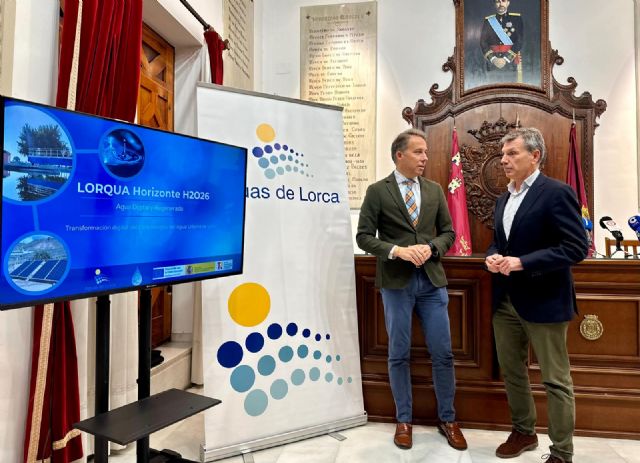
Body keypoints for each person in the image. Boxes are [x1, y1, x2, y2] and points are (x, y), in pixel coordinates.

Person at [356, 128, 467, 452]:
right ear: (399, 155)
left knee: (443, 352)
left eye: (426, 152)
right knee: (398, 353)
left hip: (431, 282)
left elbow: (448, 232)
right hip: (396, 283)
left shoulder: (434, 190)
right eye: (419, 152)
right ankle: (403, 420)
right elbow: (364, 237)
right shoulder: (378, 191)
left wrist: (431, 248)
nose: (425, 158)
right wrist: (397, 251)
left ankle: (448, 419)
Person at [485, 128, 589, 463]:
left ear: (535, 155)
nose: (504, 160)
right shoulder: (503, 199)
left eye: (512, 153)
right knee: (512, 372)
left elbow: (576, 247)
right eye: (503, 154)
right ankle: (524, 432)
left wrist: (523, 262)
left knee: (555, 380)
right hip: (505, 301)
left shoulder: (556, 192)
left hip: (545, 299)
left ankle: (561, 452)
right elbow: (500, 242)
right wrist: (492, 256)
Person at [480, 0, 523, 82]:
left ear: (508, 3)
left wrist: (506, 58)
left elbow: (519, 40)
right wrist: (493, 59)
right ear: (495, 4)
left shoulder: (516, 19)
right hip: (493, 62)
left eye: (503, 1)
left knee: (511, 87)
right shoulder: (488, 21)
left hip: (511, 61)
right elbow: (483, 42)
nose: (500, 4)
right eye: (497, 1)